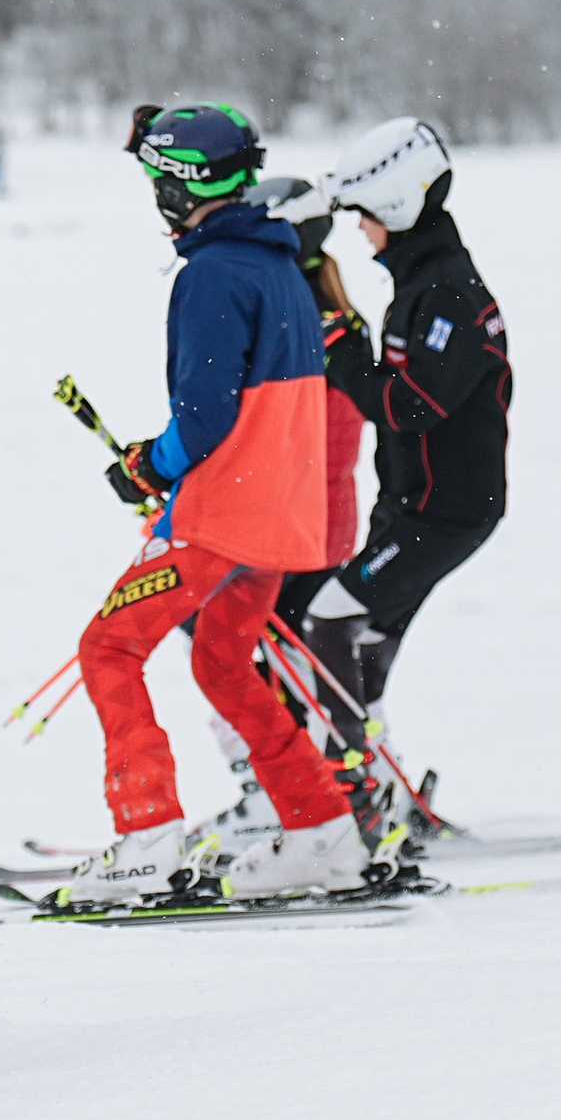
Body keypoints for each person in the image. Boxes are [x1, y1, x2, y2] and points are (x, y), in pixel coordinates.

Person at [53, 102, 380, 909]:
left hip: (223, 515)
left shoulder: (212, 275)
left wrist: (149, 465)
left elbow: (204, 420)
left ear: (178, 187)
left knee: (110, 647)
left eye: (157, 180)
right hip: (279, 519)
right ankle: (322, 832)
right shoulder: (278, 268)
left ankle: (147, 838)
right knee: (222, 661)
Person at [278, 118, 511, 839]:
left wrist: (343, 347)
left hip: (444, 512)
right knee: (360, 641)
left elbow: (408, 406)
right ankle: (377, 785)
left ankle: (353, 800)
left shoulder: (446, 294)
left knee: (330, 619)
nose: (361, 234)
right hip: (415, 505)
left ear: (399, 210)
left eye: (365, 218)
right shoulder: (424, 283)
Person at [184, 216, 372, 868]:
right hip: (311, 524)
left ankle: (292, 797)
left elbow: (284, 440)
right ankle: (298, 791)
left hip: (292, 528)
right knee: (257, 657)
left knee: (243, 658)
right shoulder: (323, 317)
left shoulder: (310, 329)